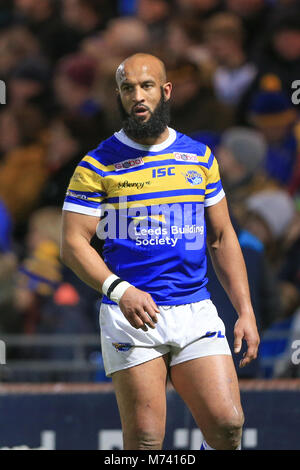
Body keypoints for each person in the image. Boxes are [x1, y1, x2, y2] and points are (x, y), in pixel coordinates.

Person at [60, 53, 260, 450]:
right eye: (128, 88)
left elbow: (221, 237)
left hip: (194, 308)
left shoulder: (200, 157)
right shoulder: (97, 164)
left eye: (146, 86)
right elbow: (71, 244)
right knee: (147, 440)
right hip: (130, 313)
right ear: (119, 96)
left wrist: (246, 310)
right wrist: (120, 290)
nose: (138, 95)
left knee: (228, 425)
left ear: (165, 91)